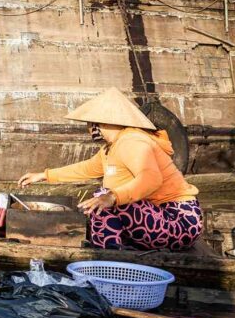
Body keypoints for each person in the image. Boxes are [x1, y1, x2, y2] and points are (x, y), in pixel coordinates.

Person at [18, 87, 201, 251]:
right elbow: (87, 168)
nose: (89, 128)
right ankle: (110, 252)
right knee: (100, 201)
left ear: (100, 123)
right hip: (155, 217)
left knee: (102, 197)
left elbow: (151, 179)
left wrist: (112, 197)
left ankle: (110, 255)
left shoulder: (133, 141)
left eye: (90, 123)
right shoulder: (110, 148)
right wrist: (44, 175)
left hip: (179, 219)